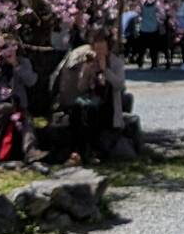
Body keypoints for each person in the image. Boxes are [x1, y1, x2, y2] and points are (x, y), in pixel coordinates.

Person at [53, 27, 128, 165]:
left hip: (108, 104)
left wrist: (105, 70)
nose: (99, 52)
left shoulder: (116, 62)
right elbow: (81, 88)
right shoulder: (89, 60)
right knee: (78, 108)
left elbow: (120, 86)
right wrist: (87, 70)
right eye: (97, 48)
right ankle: (78, 152)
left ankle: (89, 151)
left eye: (102, 48)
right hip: (91, 101)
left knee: (91, 112)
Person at [139, 0, 162, 69]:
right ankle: (154, 64)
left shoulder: (143, 7)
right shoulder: (155, 7)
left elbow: (140, 14)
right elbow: (161, 15)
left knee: (142, 48)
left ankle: (140, 62)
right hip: (153, 29)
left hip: (144, 29)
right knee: (154, 48)